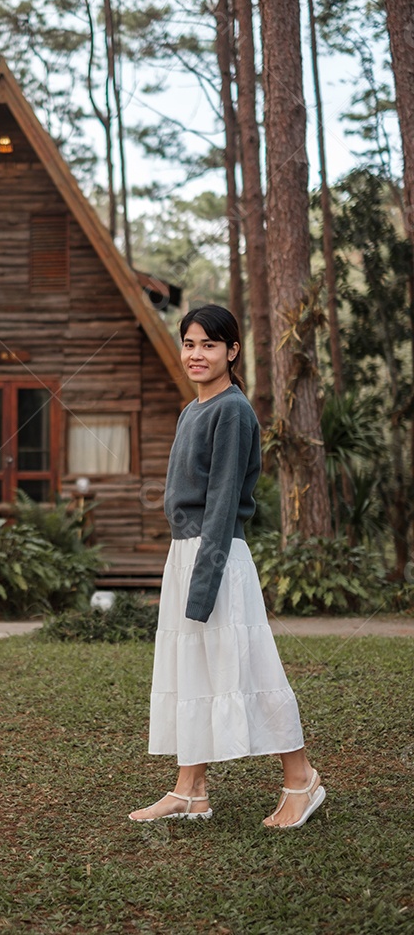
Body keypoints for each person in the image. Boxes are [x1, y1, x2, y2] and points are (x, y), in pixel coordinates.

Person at [128, 304, 326, 829]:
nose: (197, 354)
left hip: (216, 555)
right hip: (187, 553)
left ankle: (302, 781)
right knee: (191, 667)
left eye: (209, 345)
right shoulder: (193, 408)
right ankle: (190, 791)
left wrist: (203, 582)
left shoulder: (233, 411)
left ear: (232, 352)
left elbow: (220, 503)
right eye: (189, 344)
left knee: (251, 664)